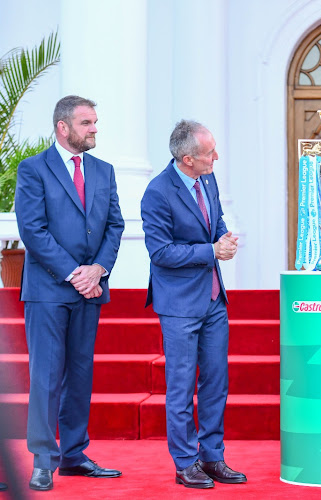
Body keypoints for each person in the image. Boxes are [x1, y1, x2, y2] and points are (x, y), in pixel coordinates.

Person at [14, 95, 125, 491]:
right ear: (63, 127)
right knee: (46, 377)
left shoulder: (104, 170)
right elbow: (33, 230)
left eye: (95, 122)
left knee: (79, 375)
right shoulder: (33, 169)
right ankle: (44, 459)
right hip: (48, 291)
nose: (95, 128)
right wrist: (73, 272)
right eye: (87, 123)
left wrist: (98, 270)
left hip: (90, 289)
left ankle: (74, 455)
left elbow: (114, 225)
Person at [141, 120, 244, 489]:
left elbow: (214, 220)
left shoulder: (209, 179)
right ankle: (185, 462)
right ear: (187, 159)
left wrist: (224, 239)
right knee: (182, 386)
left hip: (214, 299)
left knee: (216, 381)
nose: (216, 157)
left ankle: (212, 456)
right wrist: (210, 251)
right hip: (179, 304)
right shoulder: (157, 193)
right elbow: (161, 252)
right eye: (209, 153)